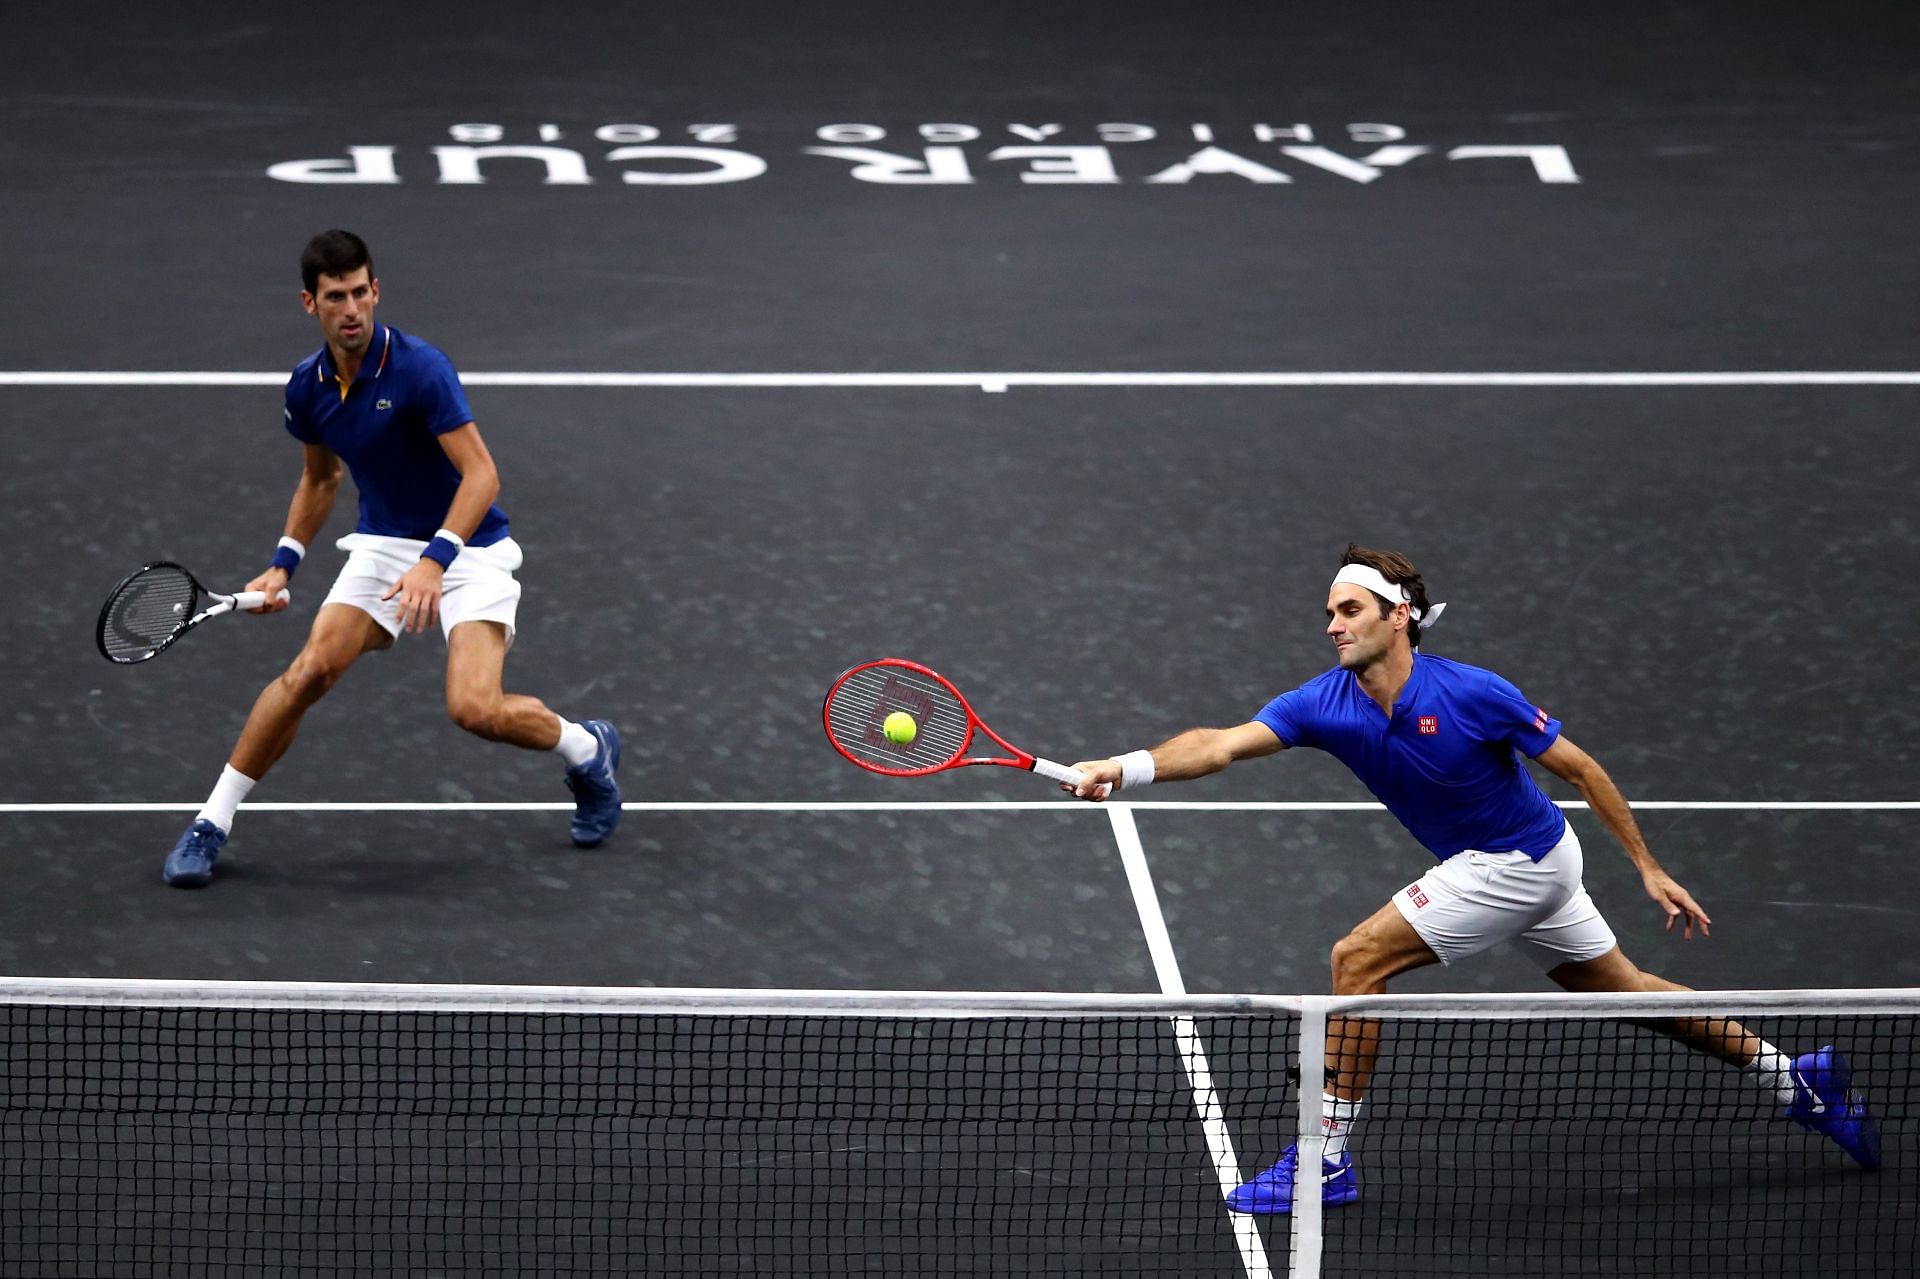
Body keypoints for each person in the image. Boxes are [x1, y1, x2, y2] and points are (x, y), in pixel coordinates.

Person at [1066, 543, 1880, 1213]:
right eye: (1328, 612)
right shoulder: (1325, 701)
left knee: (1357, 960)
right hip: (1525, 862)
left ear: (1399, 617)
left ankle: (1325, 1160)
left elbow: (1582, 767)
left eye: (1348, 609)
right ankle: (1793, 1075)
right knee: (1629, 991)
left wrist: (1649, 866)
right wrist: (1124, 766)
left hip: (1518, 861)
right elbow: (1220, 743)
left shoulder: (1473, 693)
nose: (1331, 625)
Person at [161, 230, 622, 887]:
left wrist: (435, 561)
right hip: (383, 547)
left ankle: (587, 748)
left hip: (469, 549)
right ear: (309, 303)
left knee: (475, 709)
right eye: (335, 297)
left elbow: (482, 476)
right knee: (310, 670)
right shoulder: (306, 387)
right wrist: (283, 563)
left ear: (375, 291)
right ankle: (211, 821)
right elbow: (321, 480)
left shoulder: (420, 368)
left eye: (360, 293)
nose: (351, 309)